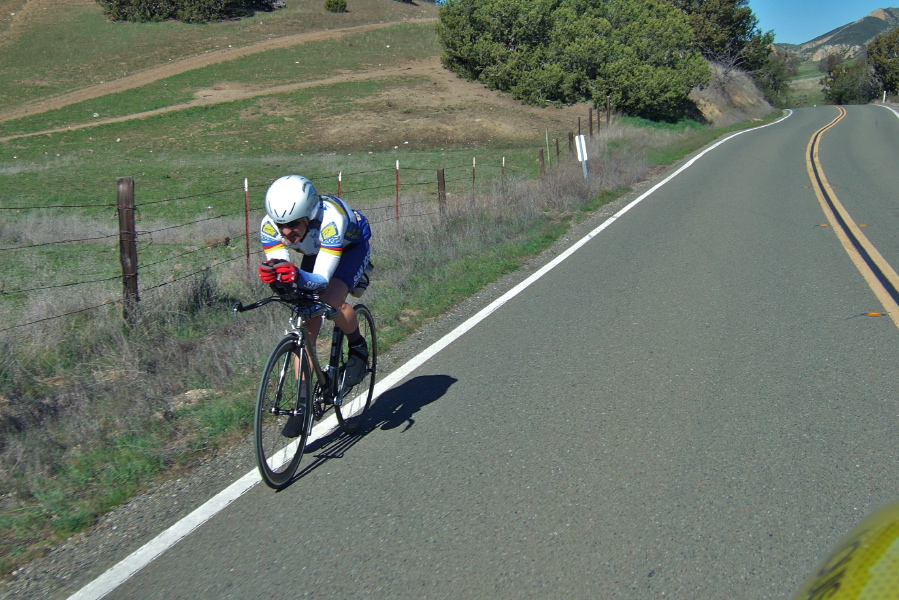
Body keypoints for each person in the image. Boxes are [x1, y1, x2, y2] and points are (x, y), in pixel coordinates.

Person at [257, 174, 372, 389]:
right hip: (316, 248)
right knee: (306, 313)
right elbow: (283, 270)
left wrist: (297, 275)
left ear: (308, 216)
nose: (285, 232)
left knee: (329, 300)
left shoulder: (331, 220)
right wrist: (277, 279)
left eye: (292, 224)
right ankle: (303, 400)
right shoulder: (269, 226)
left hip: (349, 248)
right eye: (280, 225)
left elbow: (320, 280)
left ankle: (358, 347)